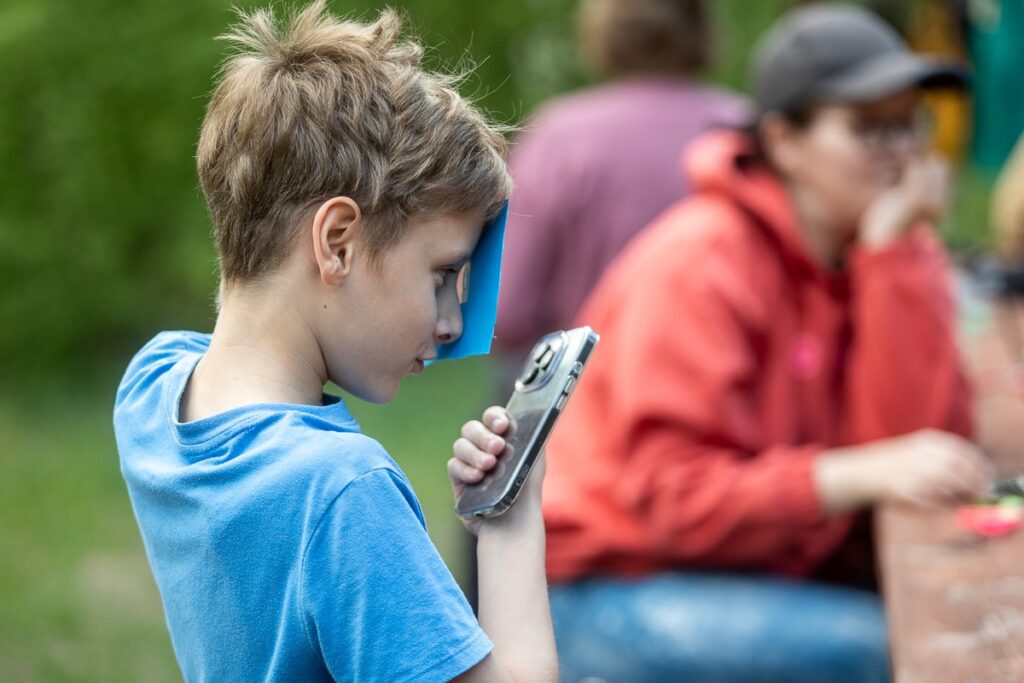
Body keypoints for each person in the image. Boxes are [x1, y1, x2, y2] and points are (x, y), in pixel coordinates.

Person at [533, 5, 993, 682]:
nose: (902, 153)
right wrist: (853, 472)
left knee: (959, 619)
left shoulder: (870, 253)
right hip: (606, 588)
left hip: (756, 572)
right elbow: (670, 502)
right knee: (887, 649)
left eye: (910, 124)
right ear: (783, 141)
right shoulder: (702, 262)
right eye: (870, 127)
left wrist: (896, 259)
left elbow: (917, 455)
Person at [112, 4, 557, 681]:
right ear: (336, 241)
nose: (453, 324)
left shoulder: (151, 386)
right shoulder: (343, 490)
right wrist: (510, 523)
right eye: (442, 275)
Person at [494, 0, 748, 366]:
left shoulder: (560, 136)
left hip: (586, 389)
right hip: (729, 383)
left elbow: (510, 310)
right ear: (702, 30)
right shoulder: (746, 131)